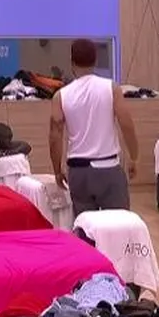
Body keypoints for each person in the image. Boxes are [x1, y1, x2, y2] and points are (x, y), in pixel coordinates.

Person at [49, 39, 139, 215]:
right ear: (95, 60)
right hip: (108, 167)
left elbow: (55, 136)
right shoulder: (111, 88)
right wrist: (134, 157)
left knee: (84, 226)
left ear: (72, 62)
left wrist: (57, 171)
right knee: (117, 224)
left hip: (78, 171)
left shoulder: (60, 96)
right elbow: (126, 124)